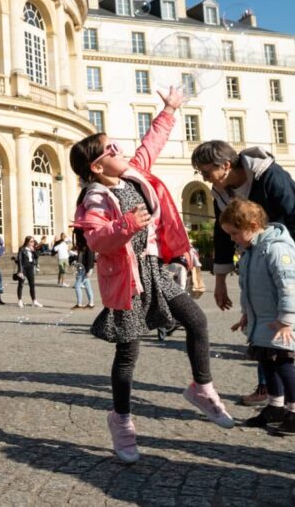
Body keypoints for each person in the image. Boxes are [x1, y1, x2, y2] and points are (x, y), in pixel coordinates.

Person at [70, 86, 234, 464]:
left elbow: (150, 144)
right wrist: (125, 225)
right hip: (127, 280)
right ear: (96, 167)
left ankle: (202, 388)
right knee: (129, 354)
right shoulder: (94, 197)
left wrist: (170, 110)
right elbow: (96, 239)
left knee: (197, 321)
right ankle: (122, 421)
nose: (119, 150)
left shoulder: (132, 175)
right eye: (110, 150)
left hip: (153, 268)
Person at [192, 139, 295, 405]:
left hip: (283, 257)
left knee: (282, 338)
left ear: (225, 166)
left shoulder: (270, 176)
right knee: (264, 334)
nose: (203, 177)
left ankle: (285, 401)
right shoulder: (221, 191)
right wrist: (220, 281)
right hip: (256, 262)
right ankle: (272, 396)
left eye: (205, 172)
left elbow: (293, 216)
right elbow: (222, 233)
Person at [222, 199, 295, 434]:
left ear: (253, 226)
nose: (232, 238)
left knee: (284, 366)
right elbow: (247, 288)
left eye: (234, 233)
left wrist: (287, 319)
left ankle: (294, 411)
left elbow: (288, 286)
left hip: (281, 324)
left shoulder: (276, 248)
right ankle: (276, 406)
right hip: (262, 322)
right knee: (268, 364)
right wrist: (246, 315)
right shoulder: (249, 251)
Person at [16, 236, 43, 308]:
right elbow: (20, 260)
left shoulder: (33, 249)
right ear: (27, 241)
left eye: (33, 241)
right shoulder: (22, 249)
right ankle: (20, 300)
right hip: (23, 267)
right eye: (31, 241)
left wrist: (33, 251)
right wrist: (20, 271)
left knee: (32, 284)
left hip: (30, 267)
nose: (33, 243)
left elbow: (37, 256)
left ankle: (34, 301)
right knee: (21, 284)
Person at [71, 229, 95, 310]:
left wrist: (90, 269)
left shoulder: (87, 244)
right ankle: (91, 303)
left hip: (84, 268)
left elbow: (90, 257)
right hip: (81, 267)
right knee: (88, 286)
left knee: (77, 285)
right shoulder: (82, 245)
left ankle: (79, 303)